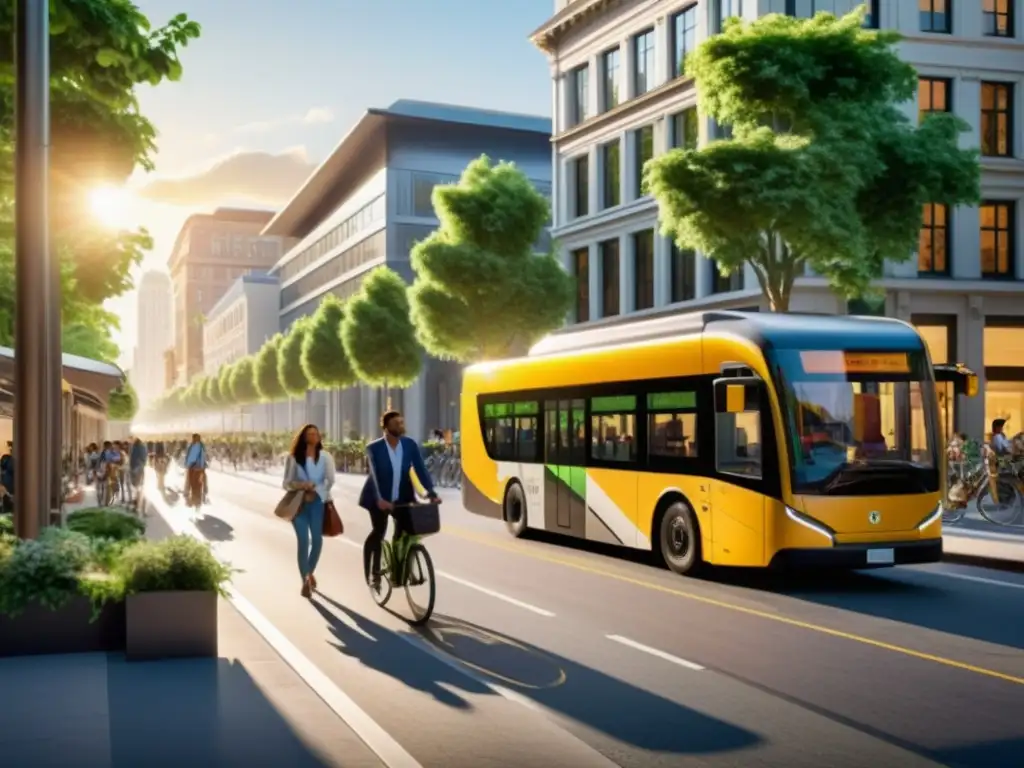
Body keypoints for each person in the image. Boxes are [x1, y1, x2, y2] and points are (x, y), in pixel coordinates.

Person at [359, 411, 442, 591]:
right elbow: (373, 475)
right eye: (396, 423)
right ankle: (375, 574)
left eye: (401, 422)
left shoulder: (409, 444)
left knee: (405, 533)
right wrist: (380, 500)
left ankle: (399, 571)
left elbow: (420, 469)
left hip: (402, 498)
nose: (400, 426)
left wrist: (431, 492)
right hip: (377, 498)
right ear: (386, 427)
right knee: (379, 531)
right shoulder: (374, 448)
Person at [282, 424, 335, 598]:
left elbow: (330, 480)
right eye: (310, 434)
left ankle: (308, 572)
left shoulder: (326, 457)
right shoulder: (293, 458)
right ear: (304, 437)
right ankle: (305, 580)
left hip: (318, 503)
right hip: (298, 504)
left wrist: (317, 488)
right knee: (303, 542)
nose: (313, 436)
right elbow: (286, 483)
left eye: (316, 433)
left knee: (318, 541)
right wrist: (301, 485)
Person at [184, 433, 208, 512]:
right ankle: (198, 502)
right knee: (199, 486)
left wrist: (187, 465)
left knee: (193, 486)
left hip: (194, 470)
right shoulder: (201, 446)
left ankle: (195, 502)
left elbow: (190, 459)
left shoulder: (194, 446)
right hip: (200, 470)